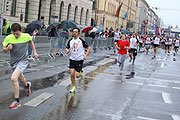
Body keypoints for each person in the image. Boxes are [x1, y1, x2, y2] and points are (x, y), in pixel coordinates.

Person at [2, 23, 38, 109]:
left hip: (23, 60)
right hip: (13, 62)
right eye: (13, 33)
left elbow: (30, 42)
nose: (15, 35)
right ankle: (27, 85)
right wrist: (7, 48)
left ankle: (16, 101)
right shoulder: (8, 38)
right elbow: (4, 49)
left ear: (21, 31)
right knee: (20, 78)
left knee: (14, 78)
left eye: (17, 33)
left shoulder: (25, 36)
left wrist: (35, 52)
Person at [66, 28, 91, 93]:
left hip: (79, 59)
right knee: (72, 74)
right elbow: (67, 47)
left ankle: (81, 73)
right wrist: (67, 50)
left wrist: (85, 55)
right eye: (73, 32)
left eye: (76, 32)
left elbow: (88, 48)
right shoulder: (70, 41)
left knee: (77, 75)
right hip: (72, 59)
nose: (74, 33)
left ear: (78, 33)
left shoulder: (81, 41)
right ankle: (73, 87)